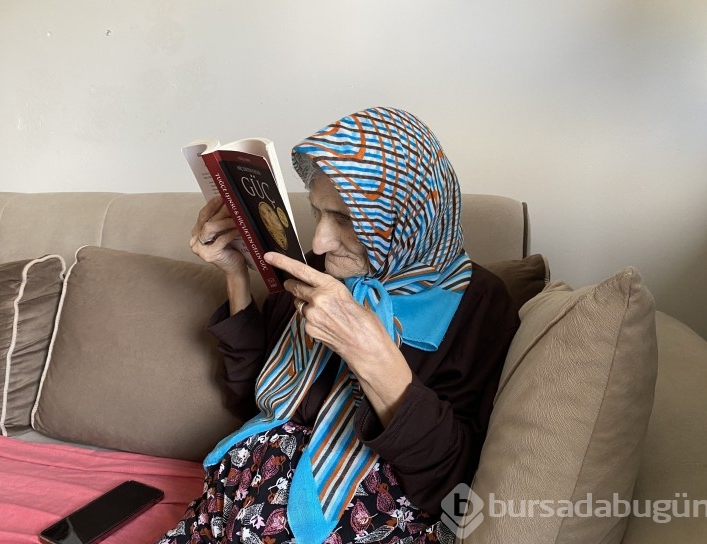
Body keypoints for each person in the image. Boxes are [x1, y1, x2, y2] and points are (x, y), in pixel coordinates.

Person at [158, 107, 519, 544]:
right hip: (234, 502)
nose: (319, 241)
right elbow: (249, 396)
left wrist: (368, 353)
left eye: (346, 219)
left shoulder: (479, 303)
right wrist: (235, 273)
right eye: (318, 213)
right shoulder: (319, 270)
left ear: (405, 218)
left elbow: (455, 486)